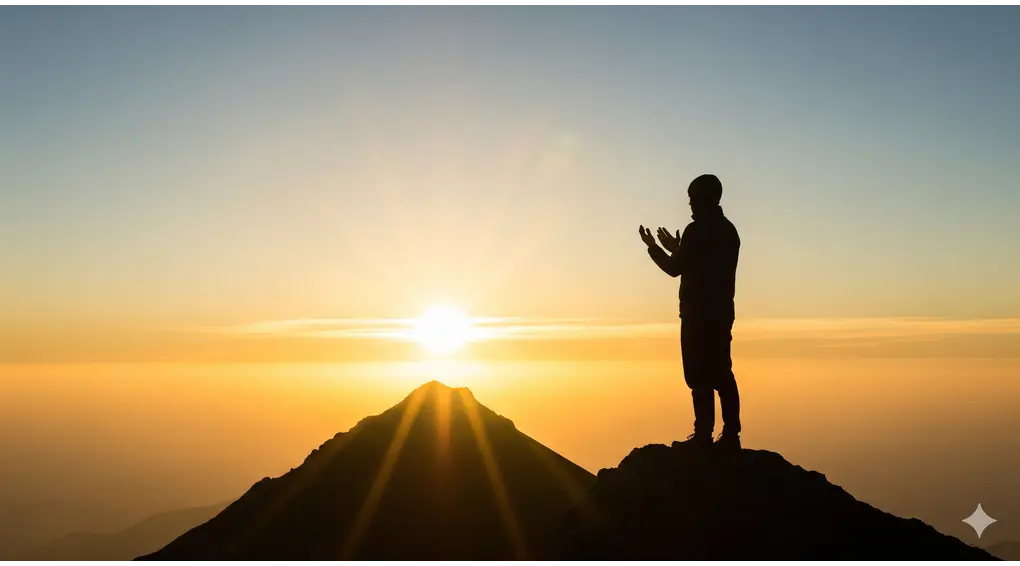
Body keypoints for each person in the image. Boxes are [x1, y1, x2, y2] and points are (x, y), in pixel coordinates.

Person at [638, 174, 741, 449]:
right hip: (721, 314)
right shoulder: (729, 231)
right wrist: (677, 248)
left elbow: (676, 268)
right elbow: (702, 262)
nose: (690, 206)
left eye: (693, 200)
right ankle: (731, 434)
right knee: (722, 372)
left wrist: (654, 249)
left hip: (697, 315)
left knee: (698, 375)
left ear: (705, 200)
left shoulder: (697, 231)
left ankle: (704, 435)